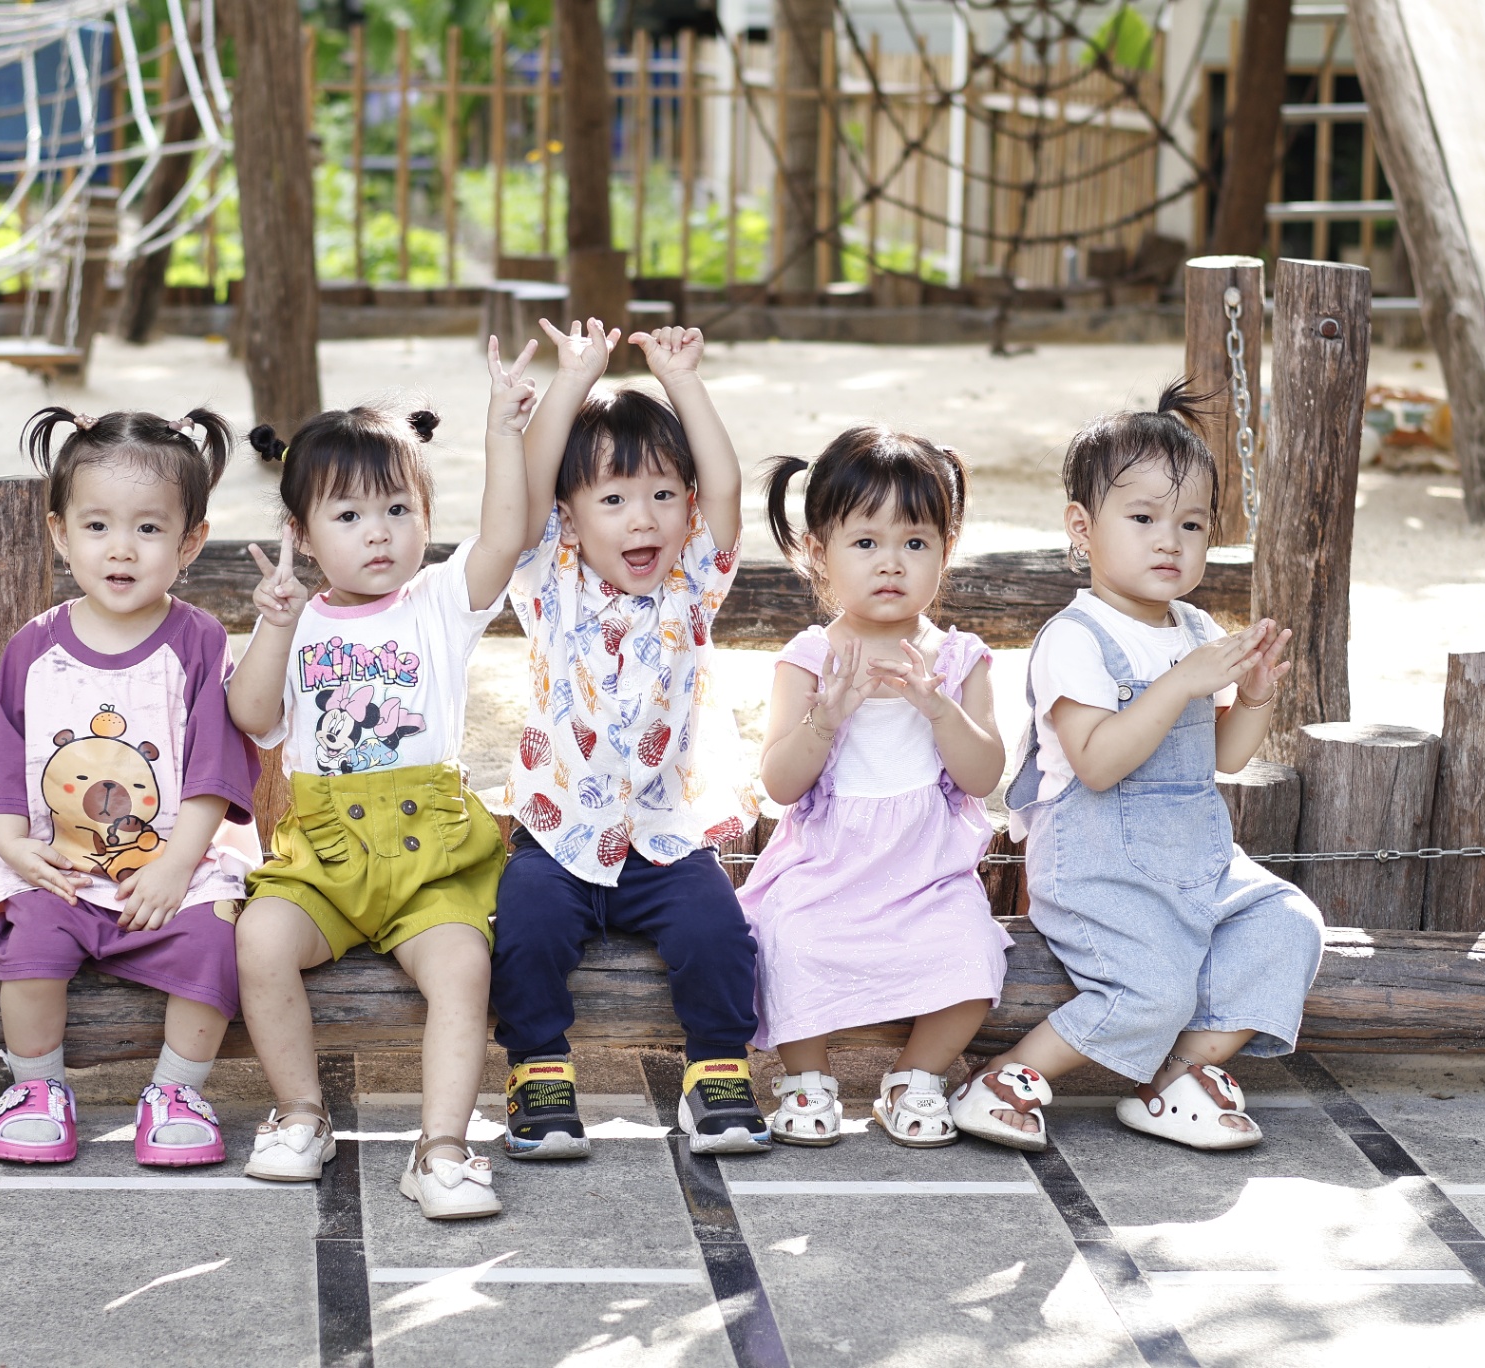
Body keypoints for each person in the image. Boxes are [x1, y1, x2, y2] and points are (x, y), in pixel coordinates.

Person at [953, 382, 1324, 1153]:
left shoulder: (1192, 625)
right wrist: (1181, 682)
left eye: (1191, 524)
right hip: (1100, 867)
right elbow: (1096, 763)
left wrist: (1251, 699)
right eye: (1144, 519)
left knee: (1288, 924)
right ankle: (1011, 1077)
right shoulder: (1078, 637)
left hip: (1197, 855)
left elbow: (1220, 756)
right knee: (1151, 985)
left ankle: (1181, 1077)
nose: (1170, 542)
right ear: (1082, 530)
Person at [228, 337, 539, 1219]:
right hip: (322, 850)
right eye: (350, 516)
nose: (379, 533)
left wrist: (501, 428)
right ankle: (300, 1116)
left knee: (462, 967)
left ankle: (441, 1148)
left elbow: (509, 532)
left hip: (427, 851)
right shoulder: (294, 619)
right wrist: (276, 627)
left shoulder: (441, 602)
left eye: (399, 510)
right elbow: (254, 717)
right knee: (260, 942)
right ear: (299, 533)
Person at [490, 318, 769, 1158]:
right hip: (557, 832)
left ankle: (716, 1071)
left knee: (719, 935)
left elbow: (725, 488)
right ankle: (539, 1072)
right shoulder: (549, 580)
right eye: (612, 499)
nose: (642, 519)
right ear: (570, 518)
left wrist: (682, 381)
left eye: (661, 495)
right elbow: (528, 487)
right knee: (524, 929)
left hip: (665, 836)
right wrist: (576, 379)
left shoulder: (693, 584)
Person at [0, 406, 258, 1169]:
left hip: (169, 868)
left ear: (191, 541)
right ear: (60, 533)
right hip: (57, 868)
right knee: (26, 935)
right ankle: (36, 1087)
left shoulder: (199, 641)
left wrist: (175, 865)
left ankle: (177, 1089)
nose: (121, 549)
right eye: (97, 527)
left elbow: (210, 774)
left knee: (219, 938)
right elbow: (5, 756)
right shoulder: (34, 646)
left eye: (149, 530)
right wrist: (15, 849)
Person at [739, 427, 1012, 1147]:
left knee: (974, 957)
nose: (891, 563)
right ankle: (804, 1078)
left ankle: (917, 1078)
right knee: (784, 941)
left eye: (915, 544)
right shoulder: (807, 658)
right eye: (866, 543)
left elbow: (984, 776)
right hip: (827, 872)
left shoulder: (958, 659)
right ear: (818, 551)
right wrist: (826, 717)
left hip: (926, 876)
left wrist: (937, 707)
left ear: (945, 553)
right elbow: (780, 785)